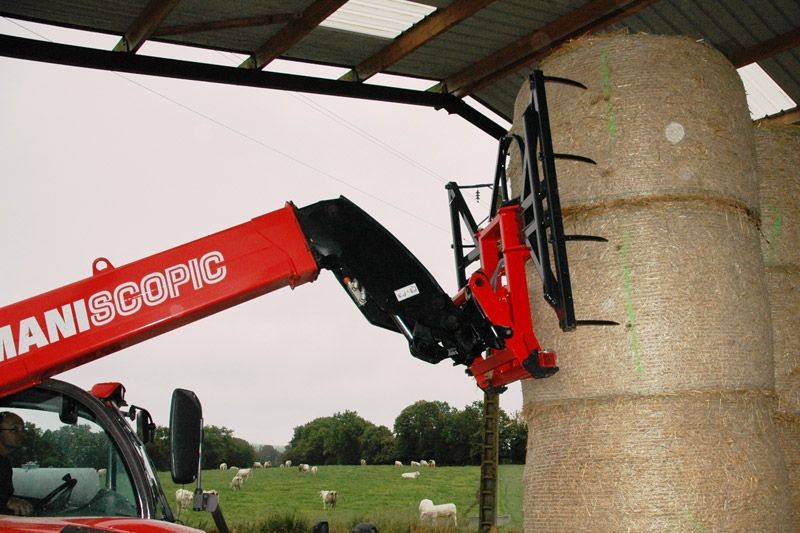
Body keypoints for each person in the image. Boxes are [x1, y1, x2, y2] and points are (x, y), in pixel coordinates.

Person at [0, 411, 33, 516]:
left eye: (23, 430)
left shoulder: (5, 463)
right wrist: (6, 502)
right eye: (15, 429)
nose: (22, 434)